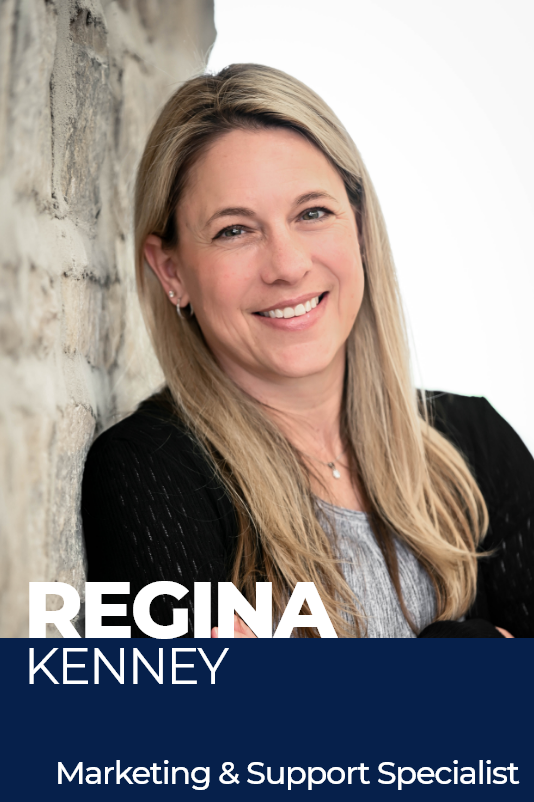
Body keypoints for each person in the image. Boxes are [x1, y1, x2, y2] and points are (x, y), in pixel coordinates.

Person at [82, 64, 533, 638]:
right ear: (171, 271)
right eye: (234, 230)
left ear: (360, 228)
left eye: (312, 213)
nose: (289, 265)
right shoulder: (146, 475)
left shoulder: (477, 443)